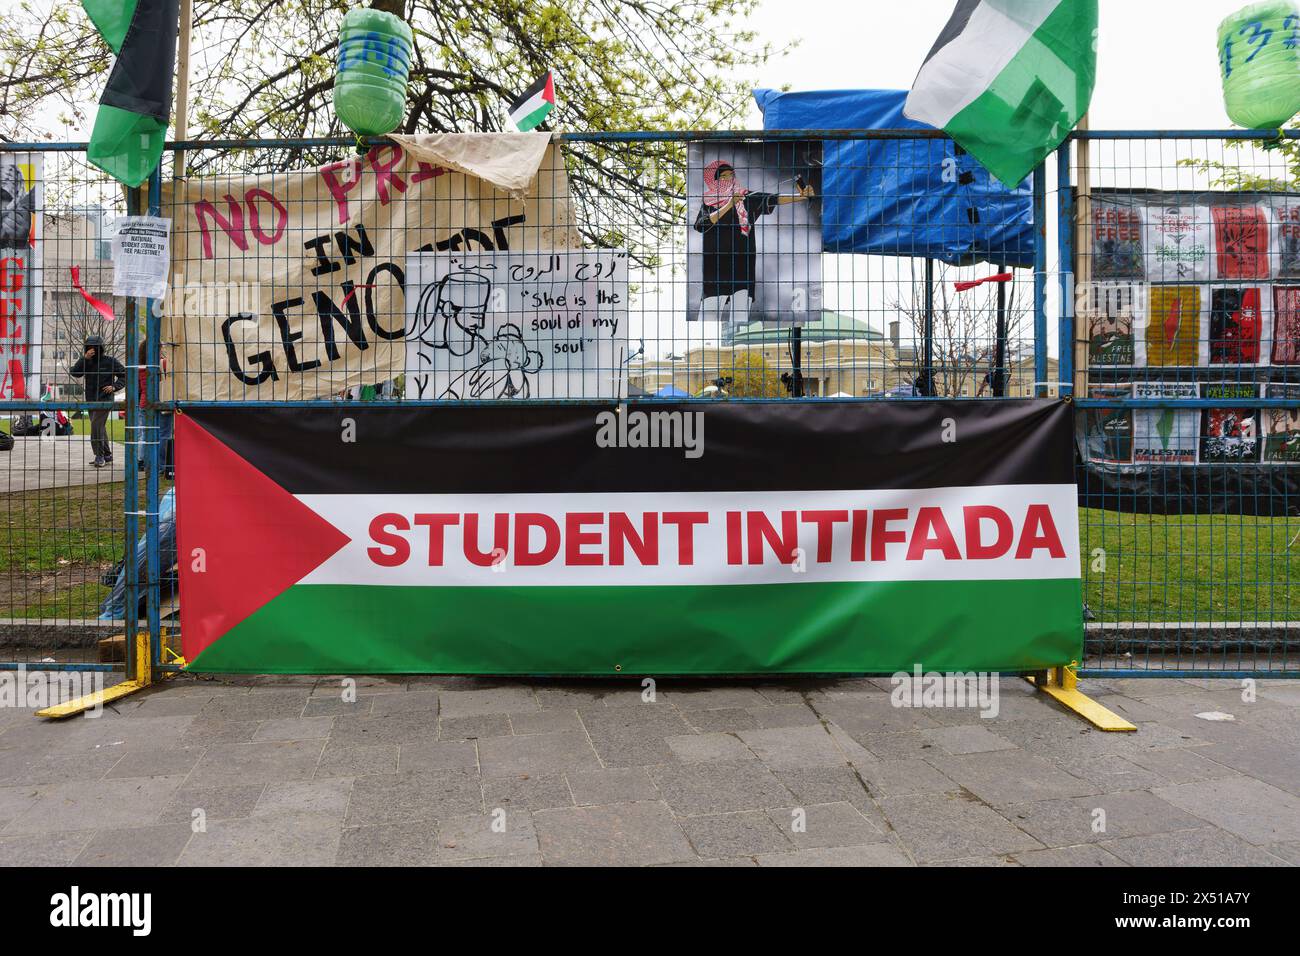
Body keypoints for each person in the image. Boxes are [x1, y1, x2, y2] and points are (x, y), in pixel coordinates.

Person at [693, 160, 814, 344]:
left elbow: (773, 198)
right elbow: (701, 225)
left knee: (740, 314)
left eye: (731, 175)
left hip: (743, 269)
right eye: (723, 177)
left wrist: (801, 196)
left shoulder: (746, 197)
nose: (729, 179)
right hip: (716, 271)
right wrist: (729, 204)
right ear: (715, 181)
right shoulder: (709, 202)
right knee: (709, 313)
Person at [70, 334, 126, 468]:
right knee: (99, 427)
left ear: (101, 348)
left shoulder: (110, 361)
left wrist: (114, 387)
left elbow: (124, 375)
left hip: (105, 400)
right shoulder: (86, 361)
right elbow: (75, 373)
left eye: (94, 347)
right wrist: (84, 359)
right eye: (89, 347)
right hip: (90, 400)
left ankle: (99, 456)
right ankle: (107, 454)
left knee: (95, 426)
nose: (92, 350)